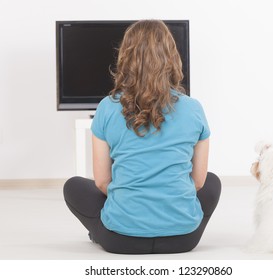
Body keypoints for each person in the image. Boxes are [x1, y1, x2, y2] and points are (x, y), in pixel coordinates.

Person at [63, 19, 221, 254]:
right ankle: (172, 222)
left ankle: (102, 230)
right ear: (171, 57)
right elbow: (197, 182)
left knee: (73, 187)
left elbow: (102, 182)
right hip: (184, 239)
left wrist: (134, 194)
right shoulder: (193, 108)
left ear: (126, 57)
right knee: (212, 182)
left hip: (121, 240)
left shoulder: (107, 107)